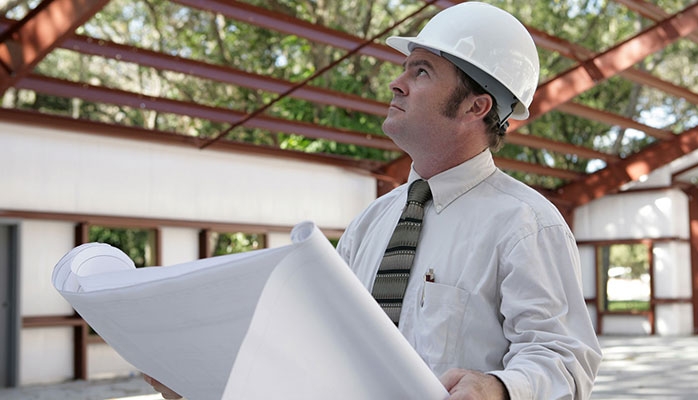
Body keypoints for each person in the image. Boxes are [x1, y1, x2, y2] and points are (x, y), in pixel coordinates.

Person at [146, 2, 602, 399]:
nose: (396, 83)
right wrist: (209, 384)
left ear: (475, 107)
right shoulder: (372, 222)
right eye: (406, 68)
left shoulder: (525, 225)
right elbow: (321, 348)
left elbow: (564, 358)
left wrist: (501, 388)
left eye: (420, 71)